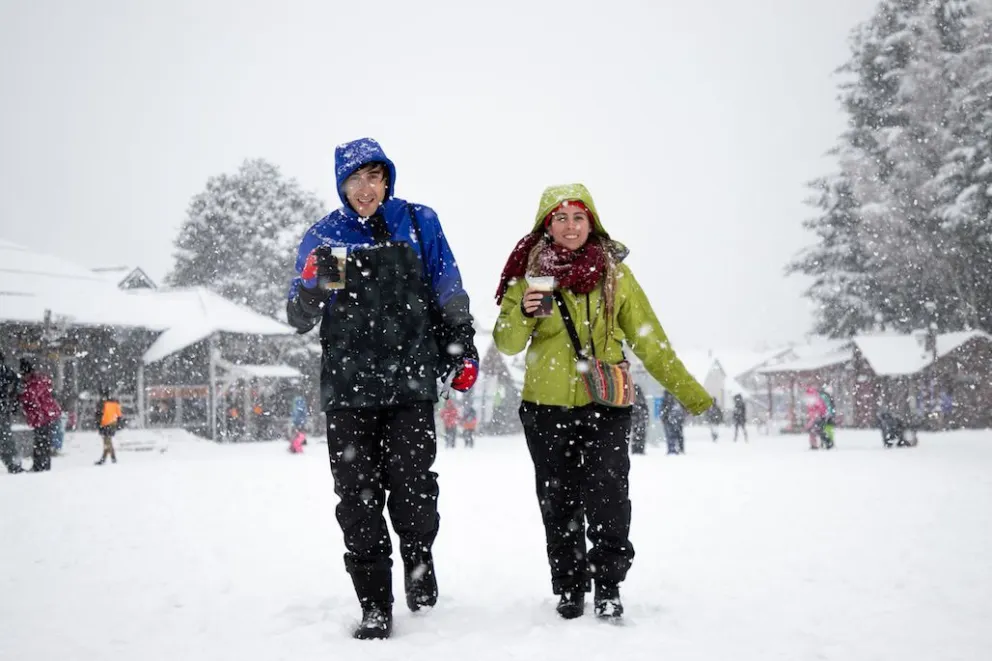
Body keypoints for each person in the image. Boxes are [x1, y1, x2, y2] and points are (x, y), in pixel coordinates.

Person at [285, 137, 478, 640]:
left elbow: (447, 286)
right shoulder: (327, 239)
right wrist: (309, 287)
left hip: (410, 384)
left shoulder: (417, 222)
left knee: (414, 491)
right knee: (357, 499)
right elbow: (300, 316)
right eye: (355, 179)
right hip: (349, 390)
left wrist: (462, 343)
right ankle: (374, 602)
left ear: (387, 179)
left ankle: (418, 562)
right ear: (341, 186)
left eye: (374, 177)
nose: (365, 189)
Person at [493, 183, 714, 621]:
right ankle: (570, 587)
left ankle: (609, 584)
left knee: (609, 496)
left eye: (578, 217)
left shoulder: (616, 274)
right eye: (560, 218)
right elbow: (506, 342)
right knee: (558, 500)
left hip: (606, 403)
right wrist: (523, 311)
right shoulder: (529, 274)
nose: (570, 226)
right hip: (545, 405)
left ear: (591, 222)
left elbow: (650, 339)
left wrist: (691, 392)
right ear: (546, 225)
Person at [17, 358, 61, 472]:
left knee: (41, 442)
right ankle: (42, 465)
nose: (23, 377)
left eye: (24, 374)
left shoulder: (34, 384)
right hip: (45, 416)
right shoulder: (38, 381)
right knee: (42, 442)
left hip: (44, 417)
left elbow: (33, 399)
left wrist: (21, 396)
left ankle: (40, 466)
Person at [0, 351, 24, 474]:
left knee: (5, 438)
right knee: (5, 438)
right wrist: (13, 400)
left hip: (2, 408)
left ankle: (12, 463)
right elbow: (17, 382)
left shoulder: (4, 371)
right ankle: (12, 463)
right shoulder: (5, 371)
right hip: (3, 408)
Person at [94, 388, 123, 465]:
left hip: (104, 424)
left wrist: (98, 425)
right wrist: (119, 423)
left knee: (107, 442)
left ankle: (110, 459)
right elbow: (119, 414)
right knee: (108, 441)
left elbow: (98, 415)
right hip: (113, 423)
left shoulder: (101, 403)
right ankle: (107, 458)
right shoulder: (115, 402)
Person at [661, 390, 687, 455]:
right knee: (678, 434)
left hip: (669, 419)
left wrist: (664, 418)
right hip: (677, 419)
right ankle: (679, 448)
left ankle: (672, 449)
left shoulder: (667, 397)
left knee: (670, 435)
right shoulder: (677, 396)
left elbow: (663, 408)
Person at [629, 384, 649, 455]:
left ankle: (636, 449)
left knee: (636, 436)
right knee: (640, 435)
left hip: (636, 420)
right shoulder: (641, 398)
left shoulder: (632, 398)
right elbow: (645, 409)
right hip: (640, 419)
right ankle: (639, 449)